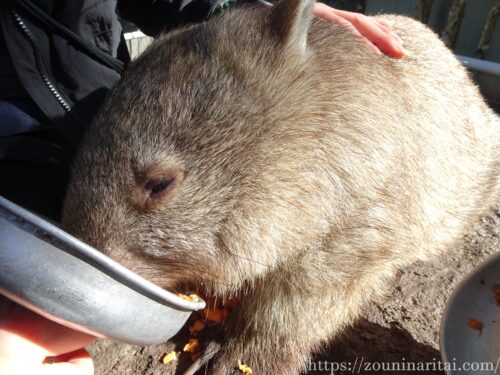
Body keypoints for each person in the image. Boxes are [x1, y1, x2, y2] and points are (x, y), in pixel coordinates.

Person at [0, 1, 404, 373]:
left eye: (160, 186)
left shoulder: (344, 154)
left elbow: (331, 267)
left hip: (72, 86)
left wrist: (233, 6)